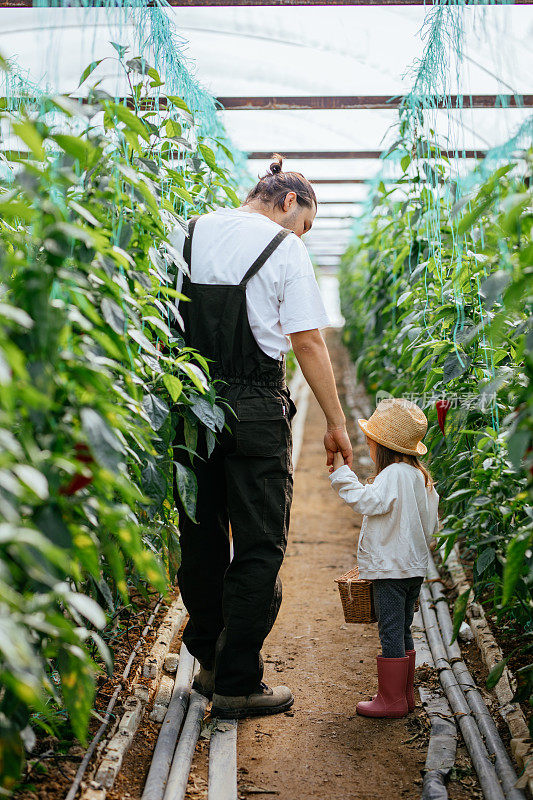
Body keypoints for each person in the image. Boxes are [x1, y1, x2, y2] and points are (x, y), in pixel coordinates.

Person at [172, 153, 353, 719]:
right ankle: (237, 679)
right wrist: (337, 423)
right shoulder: (285, 248)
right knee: (258, 542)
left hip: (191, 402)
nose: (301, 235)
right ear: (289, 202)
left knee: (200, 534)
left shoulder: (189, 232)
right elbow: (307, 342)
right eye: (305, 225)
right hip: (254, 409)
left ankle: (206, 657)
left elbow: (163, 322)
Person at [328, 398, 440, 719]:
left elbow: (368, 501)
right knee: (403, 626)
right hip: (414, 569)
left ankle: (391, 700)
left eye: (370, 441)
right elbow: (431, 524)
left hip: (391, 569)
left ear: (381, 446)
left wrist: (342, 475)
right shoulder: (421, 478)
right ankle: (404, 695)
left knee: (389, 629)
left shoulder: (393, 474)